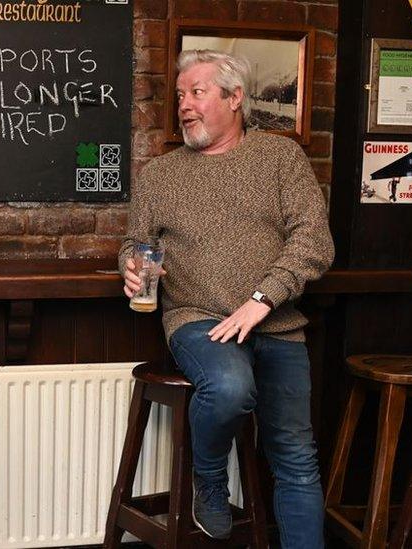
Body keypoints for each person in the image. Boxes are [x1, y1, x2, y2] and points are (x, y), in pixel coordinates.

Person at [119, 49, 334, 548]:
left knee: (296, 458)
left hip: (276, 322)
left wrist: (262, 299)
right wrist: (131, 268)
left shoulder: (281, 158)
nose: (184, 105)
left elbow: (314, 242)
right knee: (231, 388)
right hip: (198, 318)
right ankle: (209, 478)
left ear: (235, 98)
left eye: (197, 92)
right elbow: (136, 243)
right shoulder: (159, 175)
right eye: (180, 95)